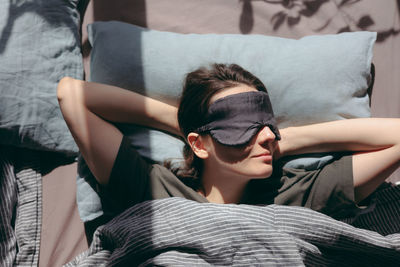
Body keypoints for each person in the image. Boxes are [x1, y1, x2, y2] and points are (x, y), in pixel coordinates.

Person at [57, 63, 400, 219]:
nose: (267, 135)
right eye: (246, 126)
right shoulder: (151, 187)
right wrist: (183, 124)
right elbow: (71, 94)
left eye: (268, 124)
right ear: (199, 144)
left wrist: (288, 140)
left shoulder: (296, 194)